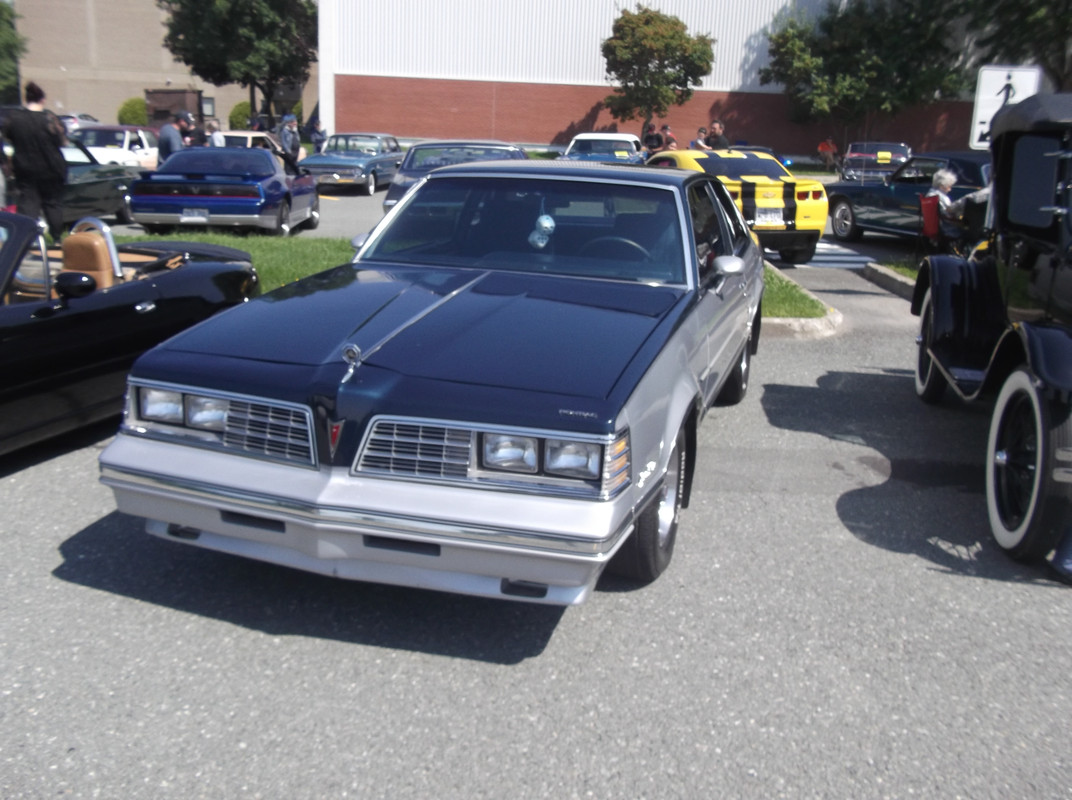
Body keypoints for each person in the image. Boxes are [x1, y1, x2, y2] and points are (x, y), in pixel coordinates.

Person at [1, 81, 67, 240]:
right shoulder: (50, 118)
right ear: (42, 99)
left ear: (26, 99)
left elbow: (7, 138)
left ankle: (26, 241)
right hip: (51, 169)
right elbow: (62, 141)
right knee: (53, 205)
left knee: (28, 205)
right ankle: (57, 238)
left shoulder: (14, 119)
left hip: (25, 169)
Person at [926, 168, 962, 240]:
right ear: (942, 186)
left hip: (932, 226)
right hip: (945, 227)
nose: (950, 189)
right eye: (949, 186)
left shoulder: (930, 194)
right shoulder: (941, 197)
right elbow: (947, 213)